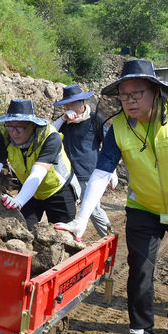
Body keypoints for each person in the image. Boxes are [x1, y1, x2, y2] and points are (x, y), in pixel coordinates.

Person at [55, 59, 168, 334]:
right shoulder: (118, 127)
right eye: (123, 94)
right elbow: (101, 174)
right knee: (140, 269)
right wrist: (81, 219)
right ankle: (142, 333)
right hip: (143, 205)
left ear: (155, 91)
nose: (129, 100)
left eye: (136, 93)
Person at [0, 98, 78, 229]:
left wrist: (19, 200)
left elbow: (38, 172)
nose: (14, 133)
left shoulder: (49, 137)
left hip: (57, 190)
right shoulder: (5, 137)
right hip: (29, 189)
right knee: (21, 229)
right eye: (10, 126)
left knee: (62, 234)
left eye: (19, 128)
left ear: (32, 125)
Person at [52, 83, 115, 237]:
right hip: (68, 174)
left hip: (88, 173)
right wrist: (62, 118)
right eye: (67, 104)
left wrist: (111, 171)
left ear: (82, 103)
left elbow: (109, 144)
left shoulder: (95, 120)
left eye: (73, 104)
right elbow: (49, 133)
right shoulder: (64, 123)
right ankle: (71, 240)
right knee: (69, 209)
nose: (69, 107)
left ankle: (108, 237)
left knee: (93, 209)